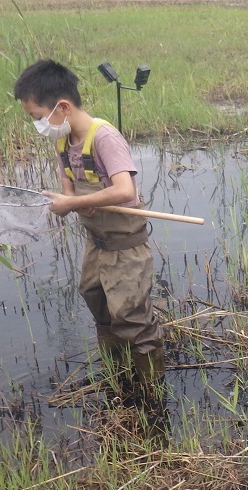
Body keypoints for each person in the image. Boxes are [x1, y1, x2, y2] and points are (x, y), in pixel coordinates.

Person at [13, 59, 164, 392]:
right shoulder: (63, 142)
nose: (38, 124)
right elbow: (68, 191)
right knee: (96, 299)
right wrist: (60, 203)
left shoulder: (104, 137)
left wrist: (76, 203)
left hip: (126, 246)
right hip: (96, 243)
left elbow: (126, 190)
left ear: (62, 107)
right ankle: (119, 377)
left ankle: (152, 391)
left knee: (131, 317)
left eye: (38, 117)